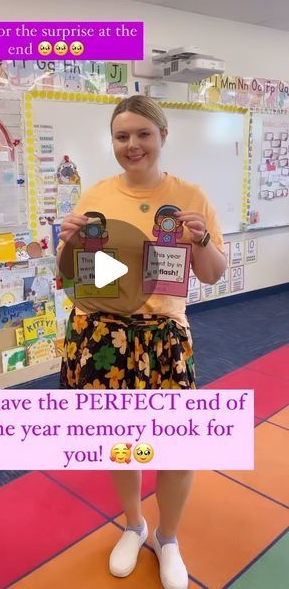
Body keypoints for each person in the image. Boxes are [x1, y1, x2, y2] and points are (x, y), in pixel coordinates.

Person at [57, 95, 226, 589]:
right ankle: (135, 524)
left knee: (175, 448)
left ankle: (168, 539)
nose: (132, 145)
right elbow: (74, 278)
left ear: (162, 137)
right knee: (120, 445)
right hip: (102, 335)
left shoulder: (190, 197)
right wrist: (67, 247)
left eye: (142, 134)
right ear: (112, 142)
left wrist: (200, 242)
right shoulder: (95, 196)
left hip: (164, 338)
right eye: (122, 136)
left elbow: (213, 276)